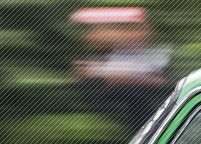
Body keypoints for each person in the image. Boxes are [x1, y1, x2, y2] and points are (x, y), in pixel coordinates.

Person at [70, 7, 174, 135]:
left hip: (142, 95)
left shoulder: (149, 55)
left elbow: (156, 80)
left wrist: (97, 71)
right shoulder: (116, 54)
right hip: (127, 95)